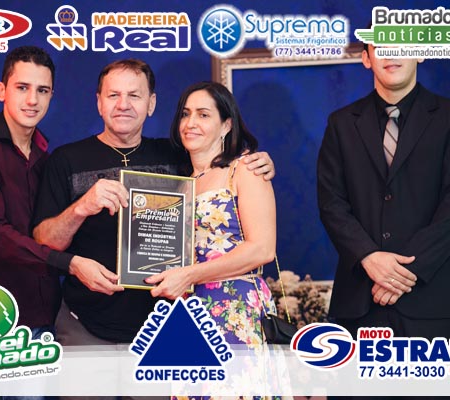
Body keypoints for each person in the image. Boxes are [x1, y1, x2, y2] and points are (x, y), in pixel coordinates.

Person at [32, 60, 275, 352]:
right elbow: (43, 241)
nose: (123, 105)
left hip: (166, 324)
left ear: (151, 104)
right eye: (113, 95)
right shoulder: (65, 159)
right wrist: (82, 207)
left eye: (134, 95)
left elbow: (219, 163)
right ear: (98, 102)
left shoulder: (177, 156)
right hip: (84, 322)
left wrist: (258, 162)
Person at [317, 43, 450, 399]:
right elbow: (331, 203)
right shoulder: (341, 123)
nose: (392, 54)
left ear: (420, 52)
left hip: (432, 301)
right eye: (381, 47)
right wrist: (369, 257)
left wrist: (402, 273)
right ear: (366, 58)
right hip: (360, 300)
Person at [0, 46, 106, 400]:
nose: (32, 99)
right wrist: (70, 264)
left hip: (37, 321)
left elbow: (54, 232)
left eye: (42, 90)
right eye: (22, 87)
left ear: (51, 96)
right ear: (2, 90)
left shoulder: (47, 159)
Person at [145, 81, 278, 349]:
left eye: (203, 115)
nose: (190, 123)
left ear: (226, 125)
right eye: (185, 114)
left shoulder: (245, 169)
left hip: (235, 308)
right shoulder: (180, 181)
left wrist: (190, 275)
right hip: (189, 310)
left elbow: (262, 249)